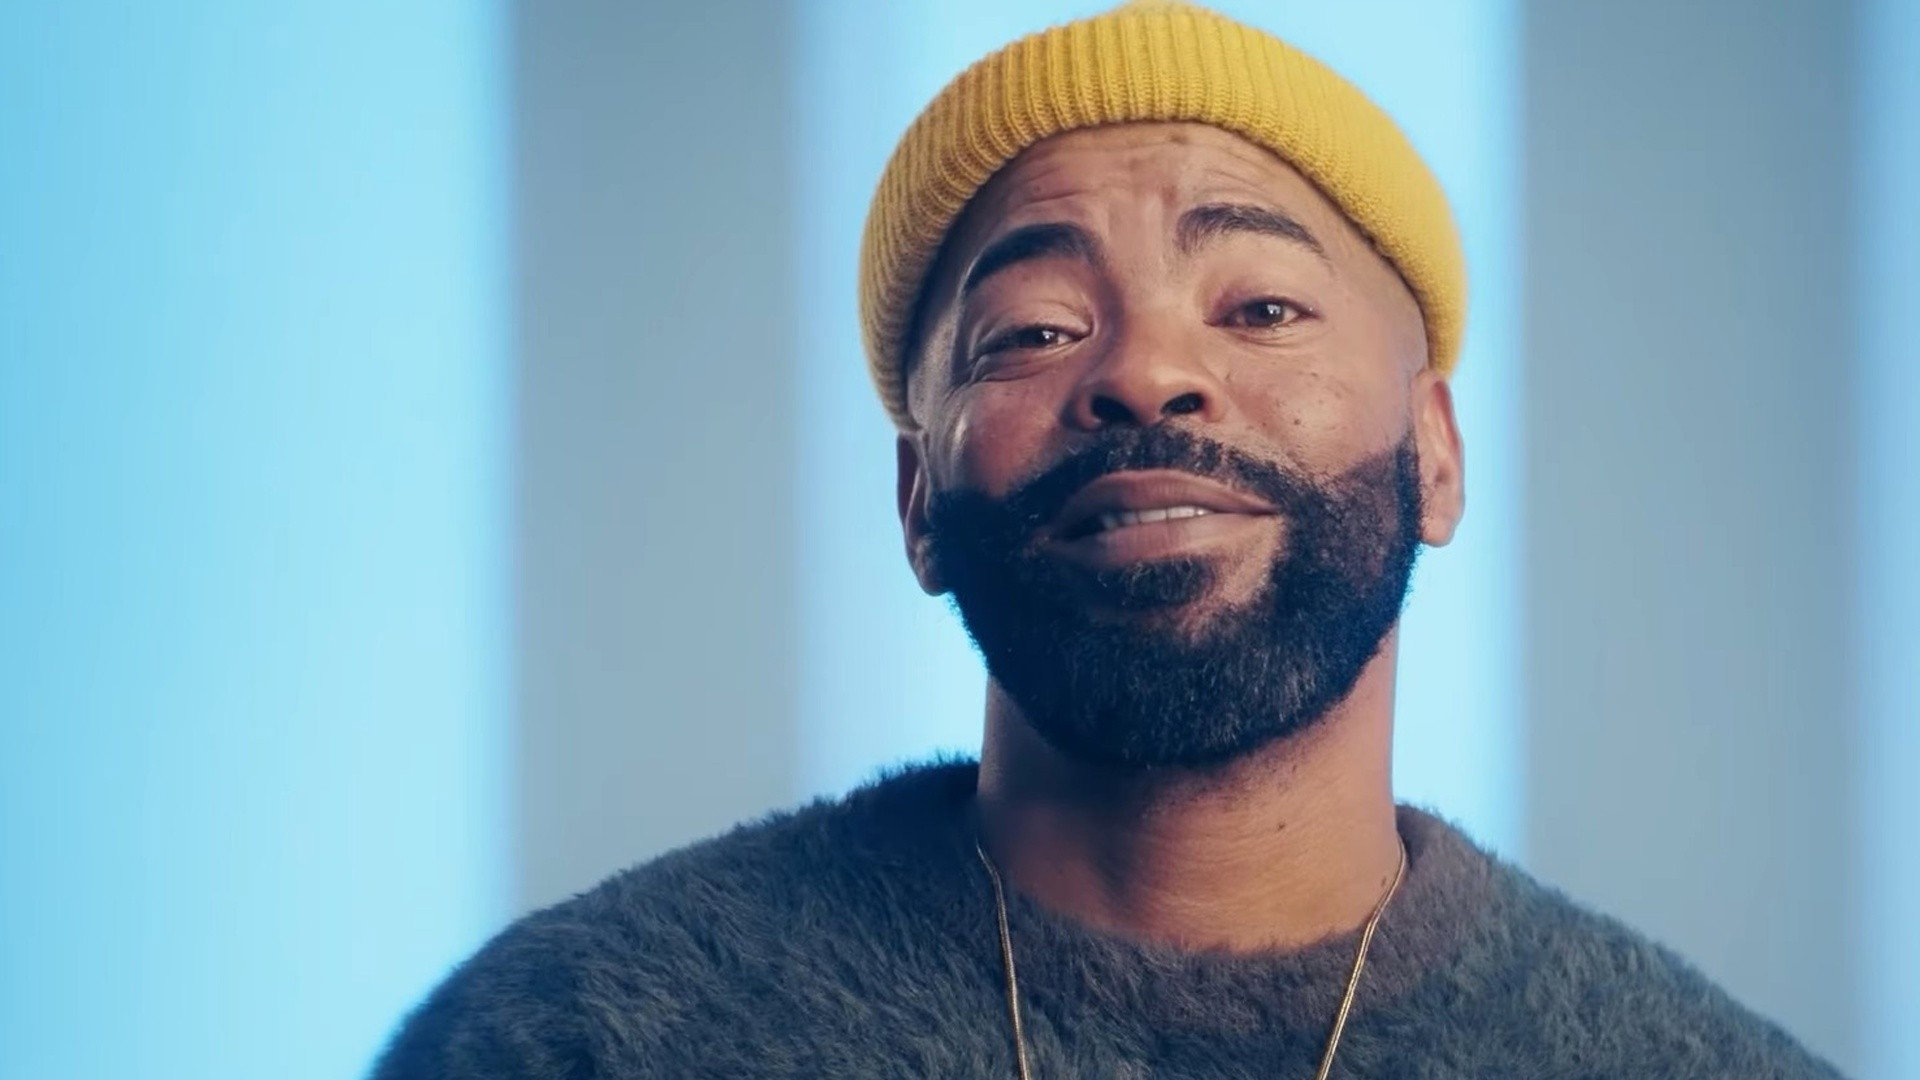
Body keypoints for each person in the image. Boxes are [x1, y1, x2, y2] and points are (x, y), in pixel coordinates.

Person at [372, 3, 1842, 1076]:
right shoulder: (575, 1040)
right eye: (1033, 331)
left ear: (1437, 455)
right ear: (917, 503)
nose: (1145, 375)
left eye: (1262, 307)